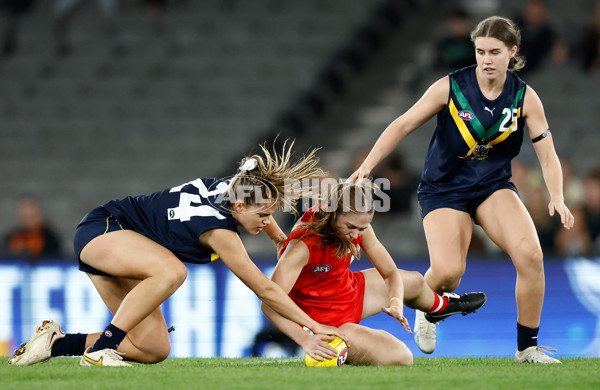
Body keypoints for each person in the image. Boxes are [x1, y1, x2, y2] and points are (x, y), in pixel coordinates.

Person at [348, 16, 574, 364]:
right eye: (480, 51)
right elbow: (403, 124)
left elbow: (547, 155)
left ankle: (526, 348)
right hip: (444, 189)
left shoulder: (525, 98)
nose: (485, 59)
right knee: (450, 272)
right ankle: (429, 306)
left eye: (494, 52)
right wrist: (367, 166)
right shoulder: (450, 87)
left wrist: (556, 196)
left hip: (492, 187)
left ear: (512, 52)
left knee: (531, 257)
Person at [8, 141, 347, 367]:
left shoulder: (233, 188)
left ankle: (57, 344)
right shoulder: (220, 230)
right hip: (105, 229)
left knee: (154, 349)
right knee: (172, 272)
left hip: (123, 248)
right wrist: (313, 327)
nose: (264, 220)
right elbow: (265, 289)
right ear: (241, 206)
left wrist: (277, 238)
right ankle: (99, 351)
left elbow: (260, 205)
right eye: (261, 216)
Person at [261, 182, 486, 366]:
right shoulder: (303, 246)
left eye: (362, 228)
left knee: (416, 282)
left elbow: (390, 273)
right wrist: (306, 339)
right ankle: (344, 354)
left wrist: (397, 304)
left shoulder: (356, 221)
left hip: (347, 290)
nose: (356, 234)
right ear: (333, 213)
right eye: (351, 227)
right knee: (402, 358)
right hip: (326, 323)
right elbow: (269, 304)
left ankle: (438, 309)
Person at [2, 194, 63, 259]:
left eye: (30, 208)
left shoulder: (51, 238)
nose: (27, 212)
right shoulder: (10, 238)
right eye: (23, 208)